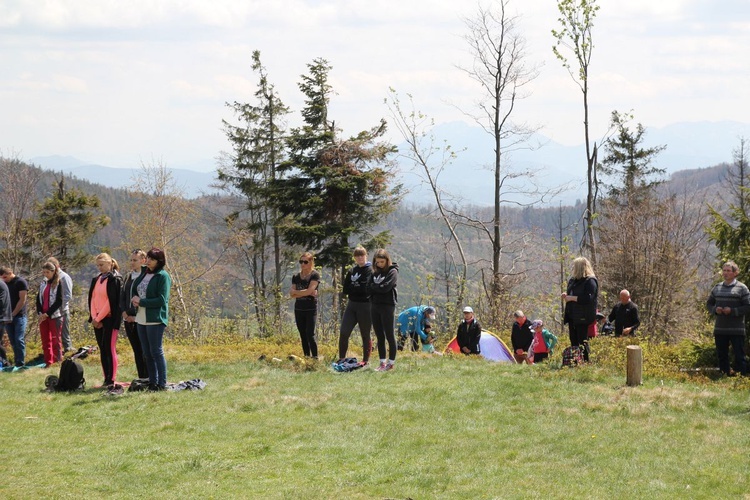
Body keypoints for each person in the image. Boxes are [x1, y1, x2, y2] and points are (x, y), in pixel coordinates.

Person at [131, 247, 172, 391]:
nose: (148, 261)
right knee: (146, 353)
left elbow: (162, 300)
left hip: (155, 318)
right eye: (147, 258)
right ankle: (153, 382)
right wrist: (135, 300)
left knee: (156, 351)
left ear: (159, 261)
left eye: (152, 259)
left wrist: (141, 302)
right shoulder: (144, 274)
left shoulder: (163, 276)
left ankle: (162, 383)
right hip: (141, 318)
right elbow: (136, 290)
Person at [706, 260, 750, 377]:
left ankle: (741, 379)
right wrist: (715, 310)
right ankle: (724, 376)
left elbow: (748, 306)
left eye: (728, 271)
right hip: (720, 328)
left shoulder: (742, 288)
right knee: (722, 355)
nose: (725, 273)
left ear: (735, 273)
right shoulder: (717, 287)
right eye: (724, 270)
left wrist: (733, 311)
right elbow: (709, 304)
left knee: (739, 355)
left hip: (737, 329)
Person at [87, 253, 122, 388]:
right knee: (102, 349)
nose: (100, 268)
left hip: (110, 319)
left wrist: (100, 317)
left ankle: (111, 379)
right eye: (98, 265)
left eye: (102, 265)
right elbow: (93, 298)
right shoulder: (97, 279)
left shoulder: (115, 279)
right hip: (97, 319)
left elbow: (111, 301)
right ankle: (105, 377)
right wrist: (94, 317)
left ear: (110, 264)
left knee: (109, 348)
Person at [338, 246, 372, 365]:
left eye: (362, 255)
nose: (359, 258)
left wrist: (355, 287)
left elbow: (366, 288)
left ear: (366, 255)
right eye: (357, 256)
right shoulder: (352, 271)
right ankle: (341, 358)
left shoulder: (370, 270)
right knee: (344, 332)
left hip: (365, 306)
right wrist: (357, 287)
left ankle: (365, 360)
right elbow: (346, 289)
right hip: (352, 305)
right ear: (354, 258)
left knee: (365, 334)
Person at [367, 248, 399, 371]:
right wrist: (377, 287)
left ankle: (391, 363)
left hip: (387, 305)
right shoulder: (374, 272)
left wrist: (375, 287)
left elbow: (386, 287)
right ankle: (382, 363)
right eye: (377, 262)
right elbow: (367, 288)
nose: (379, 264)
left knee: (390, 335)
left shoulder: (393, 272)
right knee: (379, 335)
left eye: (382, 261)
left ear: (387, 260)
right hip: (374, 305)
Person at [562, 257, 598, 363]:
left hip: (583, 316)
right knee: (573, 340)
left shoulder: (590, 281)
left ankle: (586, 362)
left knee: (583, 340)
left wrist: (572, 298)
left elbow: (588, 298)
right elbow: (572, 293)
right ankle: (574, 361)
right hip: (572, 314)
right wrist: (566, 295)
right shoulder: (573, 280)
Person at [120, 249, 149, 379]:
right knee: (136, 349)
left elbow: (145, 297)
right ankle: (141, 376)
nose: (132, 262)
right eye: (131, 260)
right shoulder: (128, 276)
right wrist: (124, 314)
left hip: (141, 318)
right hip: (128, 318)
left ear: (143, 260)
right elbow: (123, 296)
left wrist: (135, 315)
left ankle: (149, 376)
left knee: (145, 350)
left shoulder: (146, 276)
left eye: (135, 260)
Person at [290, 252, 320, 359]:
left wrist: (297, 292)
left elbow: (309, 291)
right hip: (299, 309)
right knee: (303, 335)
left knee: (310, 334)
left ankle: (315, 358)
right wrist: (306, 292)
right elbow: (291, 294)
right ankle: (307, 358)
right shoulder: (296, 276)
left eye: (305, 262)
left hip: (311, 308)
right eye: (301, 262)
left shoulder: (314, 275)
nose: (303, 264)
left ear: (311, 262)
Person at [36, 261, 63, 366]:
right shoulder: (43, 283)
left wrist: (48, 313)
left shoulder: (58, 283)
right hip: (43, 316)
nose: (46, 274)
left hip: (54, 316)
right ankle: (48, 362)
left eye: (47, 272)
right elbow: (38, 299)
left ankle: (58, 361)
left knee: (56, 341)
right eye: (44, 272)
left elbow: (59, 301)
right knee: (45, 340)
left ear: (53, 271)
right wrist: (40, 312)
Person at [0, 267, 28, 367]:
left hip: (19, 316)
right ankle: (16, 361)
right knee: (12, 340)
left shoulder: (21, 282)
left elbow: (22, 299)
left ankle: (21, 362)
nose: (4, 279)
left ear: (10, 273)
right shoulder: (5, 284)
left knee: (19, 339)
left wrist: (14, 313)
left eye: (5, 277)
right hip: (7, 317)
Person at [47, 257, 74, 353]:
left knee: (64, 332)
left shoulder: (64, 277)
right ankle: (56, 351)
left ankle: (68, 350)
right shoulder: (48, 278)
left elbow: (68, 295)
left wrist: (58, 306)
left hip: (62, 309)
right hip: (50, 310)